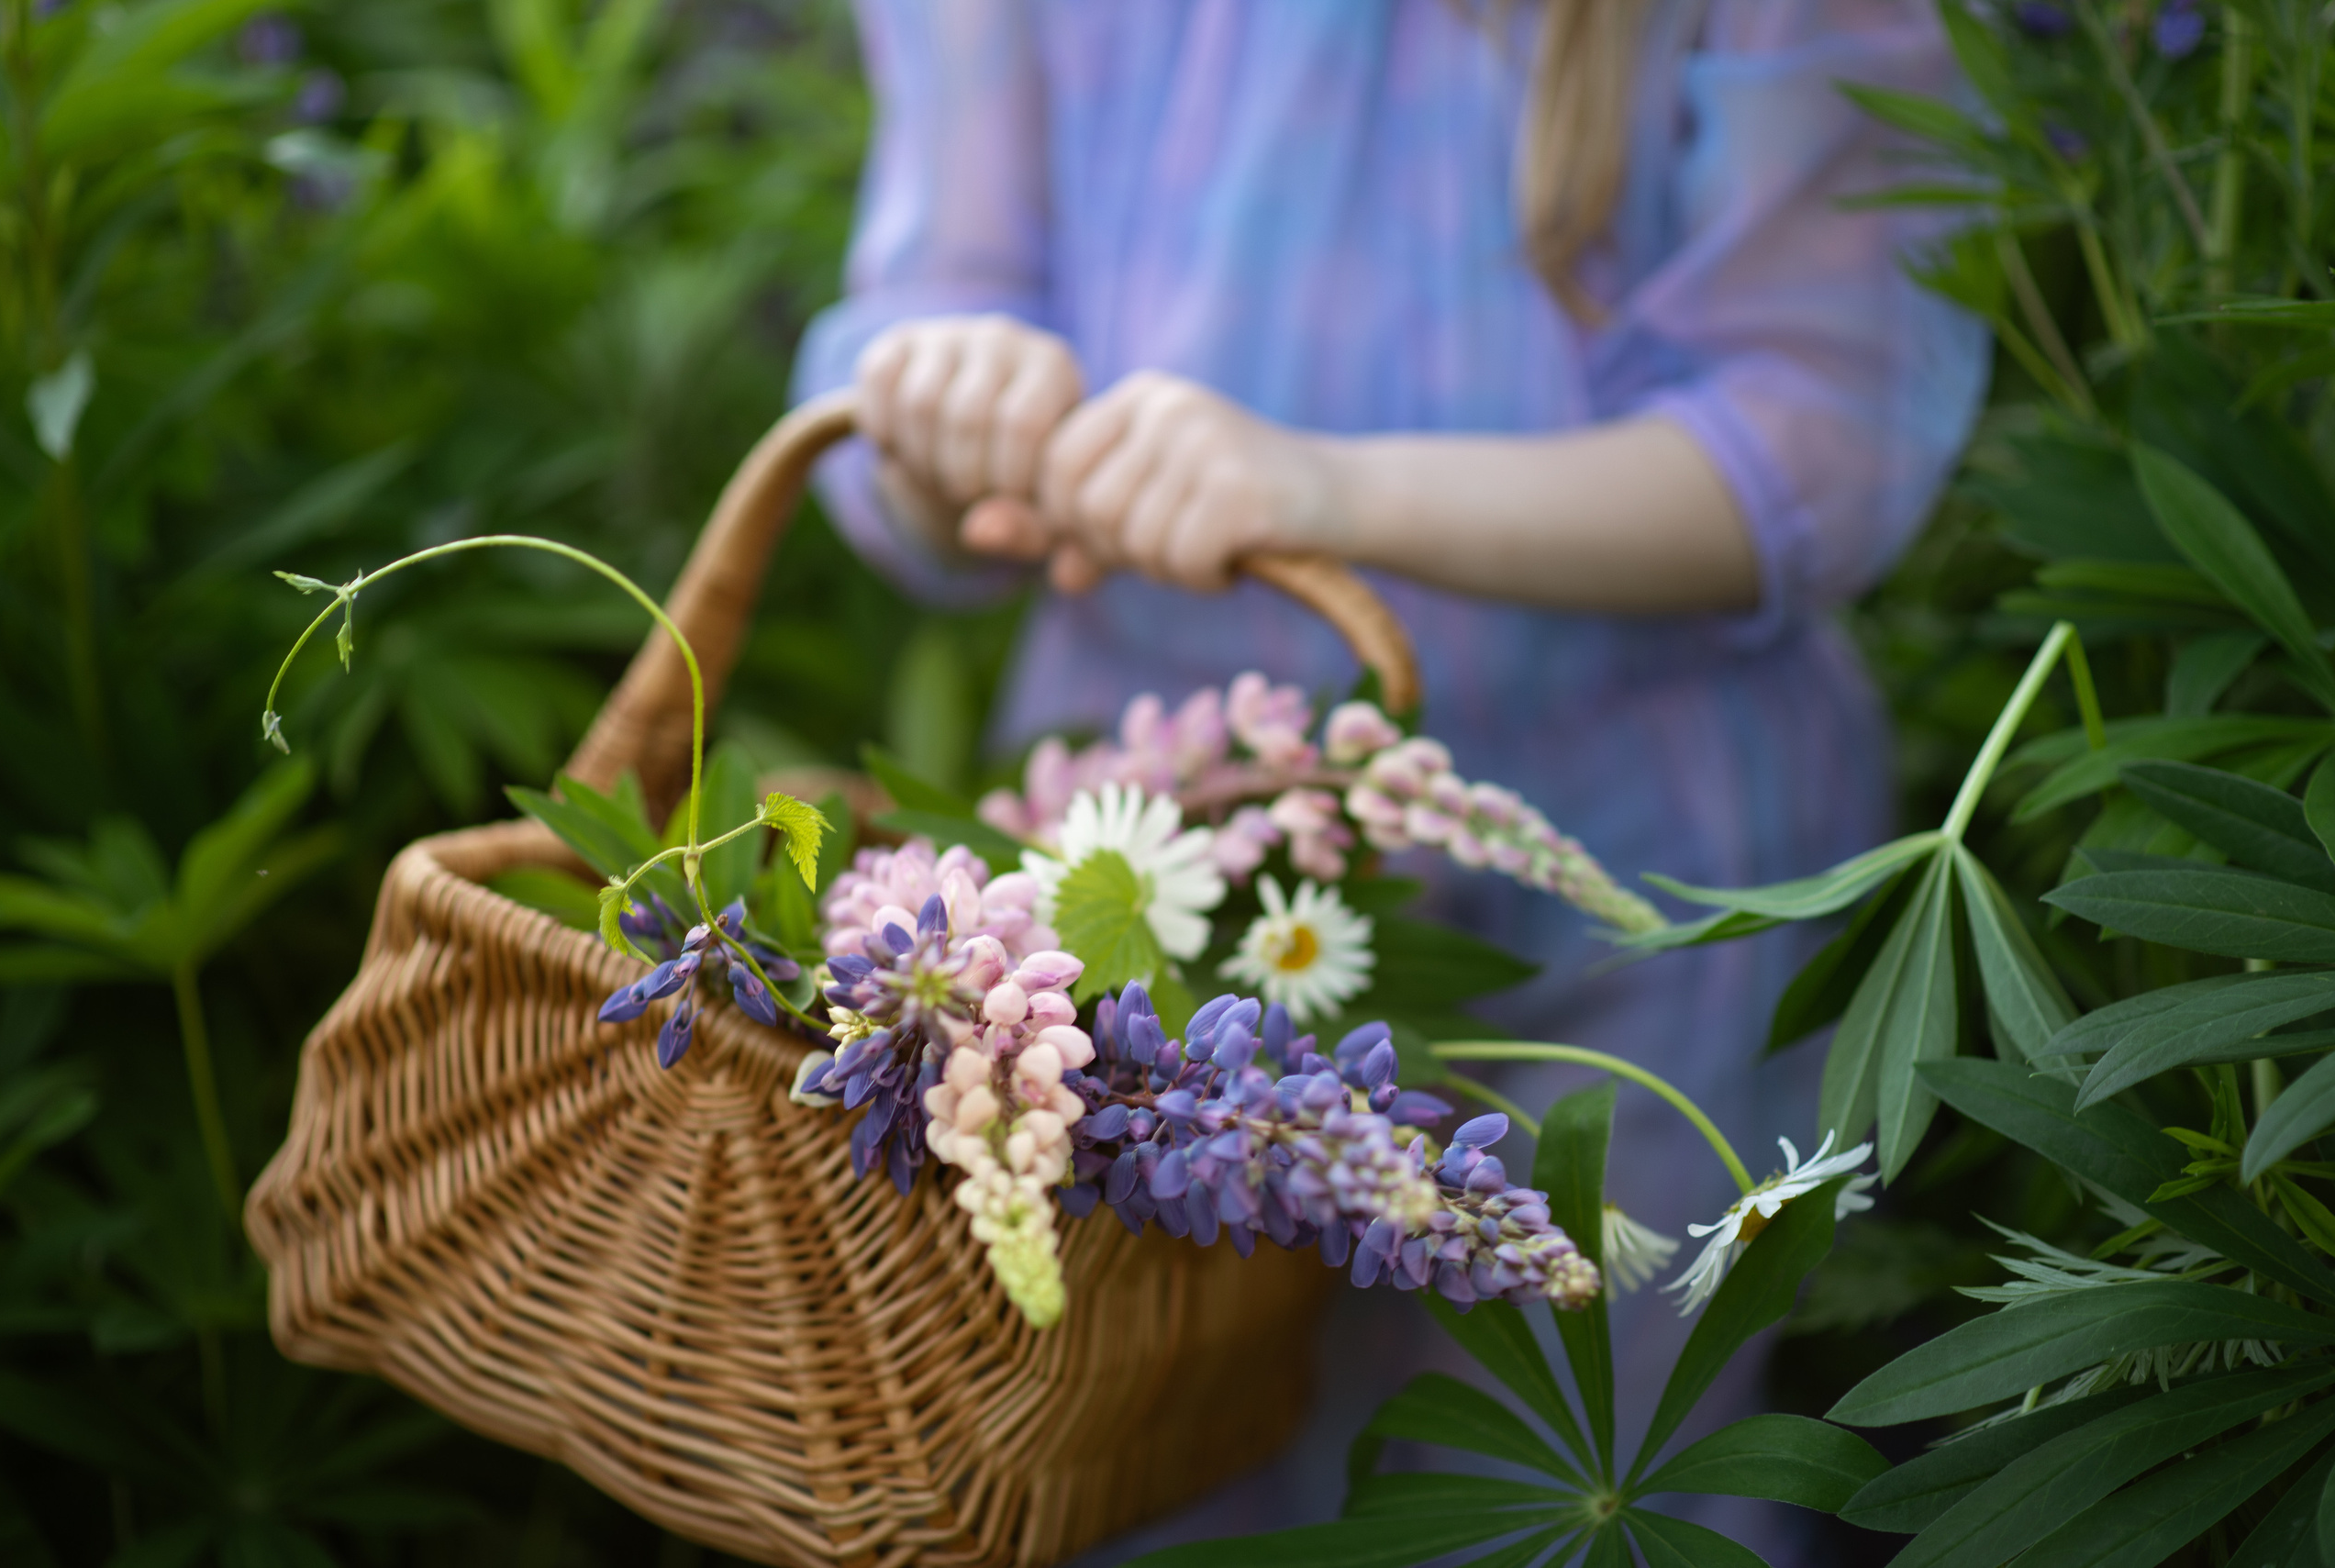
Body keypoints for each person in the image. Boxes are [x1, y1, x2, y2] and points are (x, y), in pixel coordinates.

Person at [792, 2, 1987, 1560]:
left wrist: (1326, 490)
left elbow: (1818, 447)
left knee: (1565, 1486)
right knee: (1131, 1474)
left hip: (1638, 897)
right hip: (1146, 868)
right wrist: (949, 409)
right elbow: (918, 349)